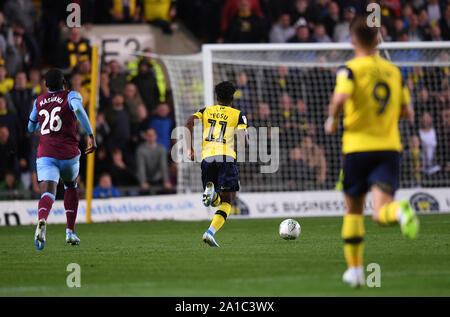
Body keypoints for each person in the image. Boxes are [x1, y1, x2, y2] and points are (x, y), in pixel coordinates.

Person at [324, 16, 419, 288]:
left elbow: (341, 98)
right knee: (381, 212)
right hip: (389, 148)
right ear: (378, 40)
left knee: (354, 210)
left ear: (353, 40)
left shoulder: (350, 70)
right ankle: (400, 212)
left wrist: (331, 120)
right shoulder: (395, 71)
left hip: (357, 147)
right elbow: (408, 112)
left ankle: (355, 271)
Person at [28, 68, 97, 250]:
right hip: (68, 154)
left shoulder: (39, 100)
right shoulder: (71, 95)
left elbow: (30, 126)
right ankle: (70, 231)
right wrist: (90, 134)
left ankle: (42, 219)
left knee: (47, 193)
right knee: (71, 185)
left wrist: (43, 128)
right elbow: (79, 111)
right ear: (64, 82)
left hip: (46, 153)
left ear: (46, 85)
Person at [185, 81, 248, 247]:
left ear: (217, 97)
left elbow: (189, 123)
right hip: (226, 158)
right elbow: (243, 141)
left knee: (217, 200)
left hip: (207, 159)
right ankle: (210, 231)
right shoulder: (238, 114)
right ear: (232, 99)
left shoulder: (206, 111)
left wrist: (190, 149)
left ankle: (209, 232)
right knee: (228, 200)